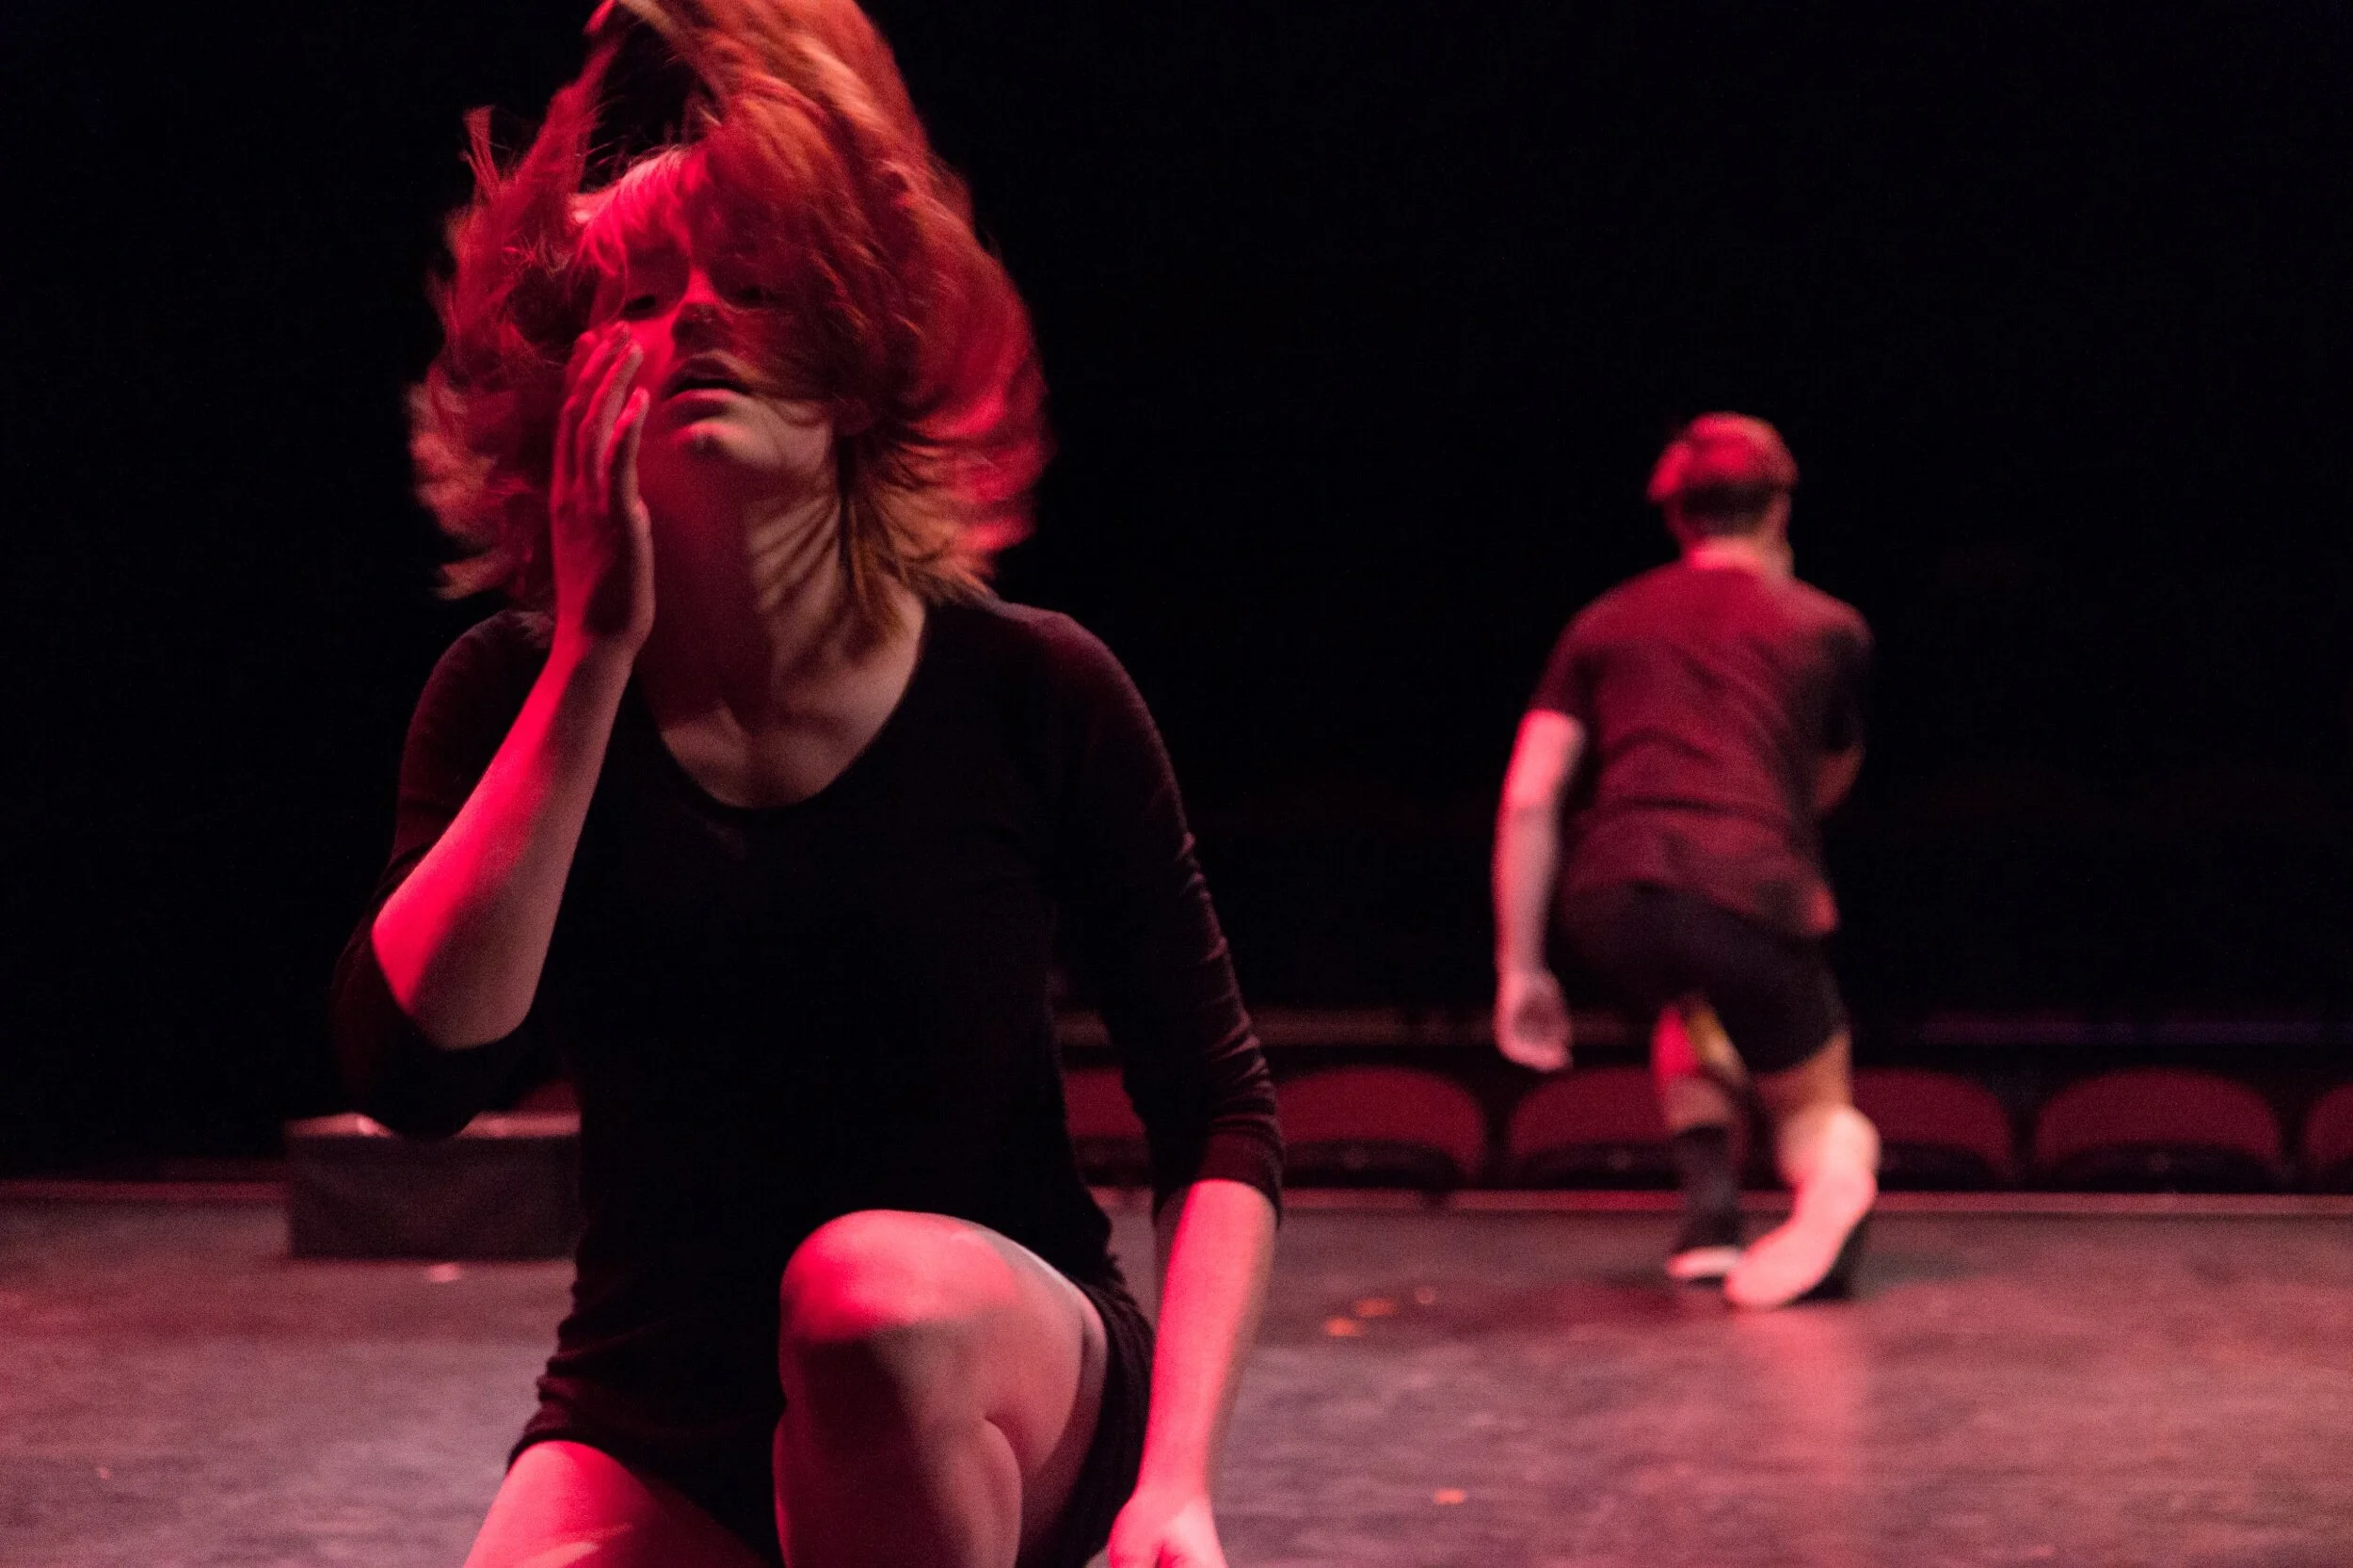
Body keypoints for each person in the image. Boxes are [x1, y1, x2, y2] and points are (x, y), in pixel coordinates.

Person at [330, 4, 1281, 1564]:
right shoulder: (509, 692)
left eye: (755, 287)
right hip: (657, 1398)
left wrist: (1176, 1482)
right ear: (582, 386)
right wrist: (592, 659)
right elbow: (415, 1074)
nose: (698, 319)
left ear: (849, 375)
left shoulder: (1030, 687)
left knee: (863, 1300)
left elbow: (1220, 1112)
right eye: (645, 299)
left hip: (982, 1367)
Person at [1490, 413, 1879, 1309]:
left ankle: (1709, 1220)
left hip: (1612, 896)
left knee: (1690, 1004)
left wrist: (1520, 968)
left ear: (1675, 515)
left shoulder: (1602, 623)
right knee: (1815, 1107)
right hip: (1749, 888)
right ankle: (1832, 1181)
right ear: (1778, 509)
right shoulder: (1827, 627)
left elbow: (1530, 795)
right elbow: (1826, 781)